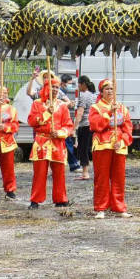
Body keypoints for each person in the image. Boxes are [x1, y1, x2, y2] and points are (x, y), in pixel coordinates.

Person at [27, 76, 74, 209]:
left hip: (57, 143)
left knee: (59, 173)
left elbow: (68, 125)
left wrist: (60, 133)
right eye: (52, 86)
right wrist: (47, 113)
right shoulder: (37, 103)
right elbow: (32, 121)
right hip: (42, 141)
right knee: (40, 173)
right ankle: (35, 200)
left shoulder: (62, 106)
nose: (54, 89)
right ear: (46, 88)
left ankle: (61, 199)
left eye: (57, 87)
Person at [89, 79, 133, 219]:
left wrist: (122, 141)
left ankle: (119, 207)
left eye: (112, 88)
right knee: (102, 177)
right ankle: (101, 207)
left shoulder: (122, 108)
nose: (110, 91)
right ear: (101, 92)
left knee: (119, 178)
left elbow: (128, 128)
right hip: (102, 145)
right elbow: (96, 126)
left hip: (118, 145)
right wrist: (109, 112)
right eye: (106, 89)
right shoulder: (96, 108)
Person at [73, 76, 95, 181]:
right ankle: (86, 172)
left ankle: (85, 173)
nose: (78, 86)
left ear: (83, 84)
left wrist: (74, 127)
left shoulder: (83, 96)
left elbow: (80, 112)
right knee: (88, 149)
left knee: (83, 150)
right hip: (92, 125)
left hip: (84, 125)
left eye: (79, 84)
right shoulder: (93, 95)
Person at [61, 74, 80, 173]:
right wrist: (68, 104)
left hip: (65, 121)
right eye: (69, 83)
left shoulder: (63, 92)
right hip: (61, 123)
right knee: (68, 143)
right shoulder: (60, 92)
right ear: (63, 83)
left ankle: (74, 164)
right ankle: (74, 165)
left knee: (68, 143)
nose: (71, 86)